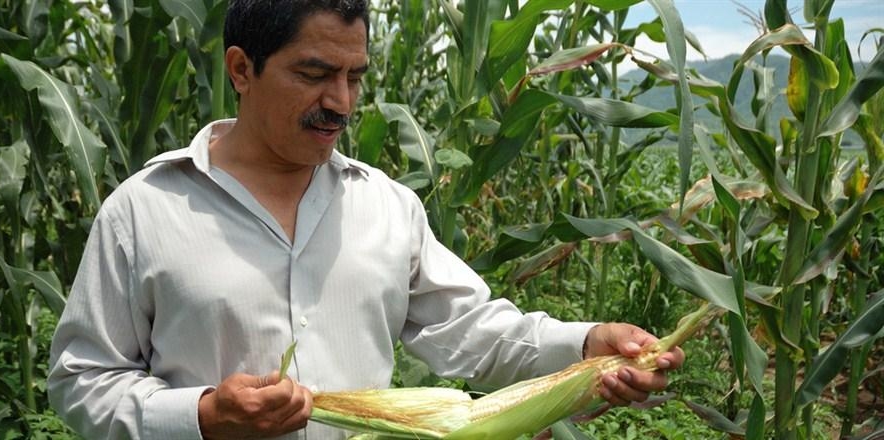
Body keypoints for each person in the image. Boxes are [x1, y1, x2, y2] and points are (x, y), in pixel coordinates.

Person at [46, 1, 685, 438]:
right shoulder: (144, 209)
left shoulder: (387, 206)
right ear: (242, 69)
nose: (341, 103)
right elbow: (82, 384)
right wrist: (205, 416)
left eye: (355, 77)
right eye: (315, 74)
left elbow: (472, 330)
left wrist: (583, 343)